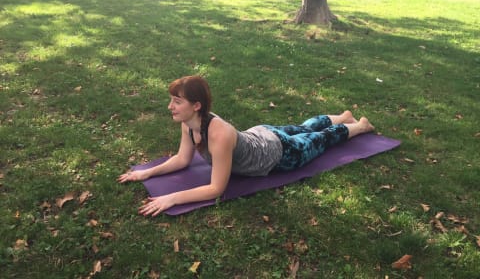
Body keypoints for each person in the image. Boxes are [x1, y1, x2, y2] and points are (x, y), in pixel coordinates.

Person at [118, 75, 374, 216]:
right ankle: (343, 116)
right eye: (171, 100)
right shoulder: (189, 123)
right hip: (261, 133)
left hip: (281, 154)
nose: (170, 107)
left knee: (321, 138)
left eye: (176, 101)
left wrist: (172, 198)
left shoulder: (218, 135)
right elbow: (182, 159)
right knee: (304, 128)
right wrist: (147, 172)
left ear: (196, 106)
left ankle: (360, 126)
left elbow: (216, 188)